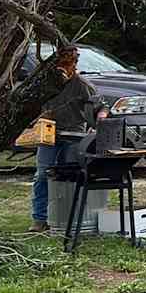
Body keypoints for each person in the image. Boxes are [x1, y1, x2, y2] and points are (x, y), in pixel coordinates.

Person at [29, 46, 107, 233]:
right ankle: (40, 220)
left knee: (70, 177)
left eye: (67, 64)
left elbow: (102, 107)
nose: (62, 69)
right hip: (48, 135)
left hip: (73, 137)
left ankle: (69, 218)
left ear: (74, 64)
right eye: (59, 64)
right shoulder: (46, 83)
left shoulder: (83, 85)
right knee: (42, 175)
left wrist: (101, 118)